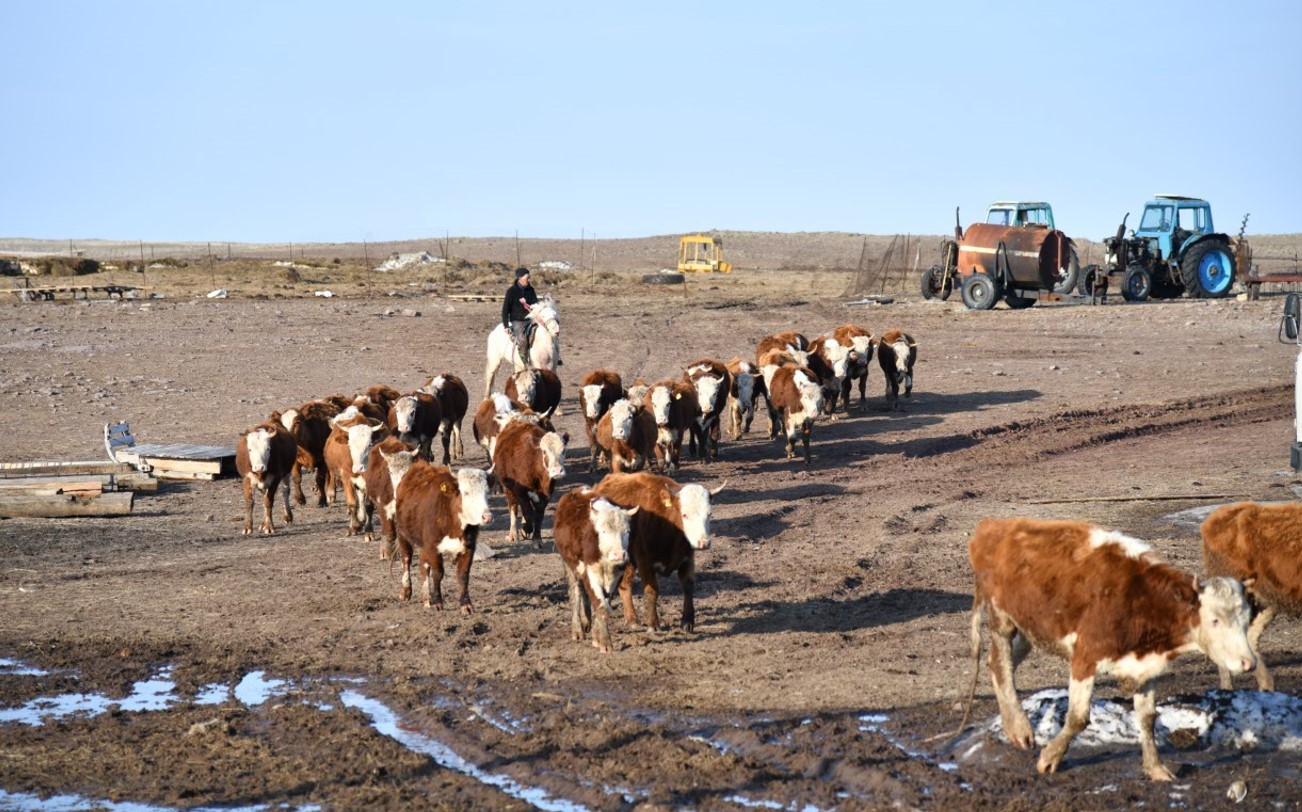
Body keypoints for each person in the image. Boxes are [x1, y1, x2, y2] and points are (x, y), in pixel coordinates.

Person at [501, 267, 539, 366]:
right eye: (527, 277)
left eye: (529, 277)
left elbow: (536, 303)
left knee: (546, 330)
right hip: (517, 320)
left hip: (530, 319)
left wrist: (533, 306)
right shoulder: (511, 291)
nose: (529, 280)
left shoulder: (531, 289)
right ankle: (525, 362)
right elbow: (505, 309)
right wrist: (506, 325)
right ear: (519, 277)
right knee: (522, 340)